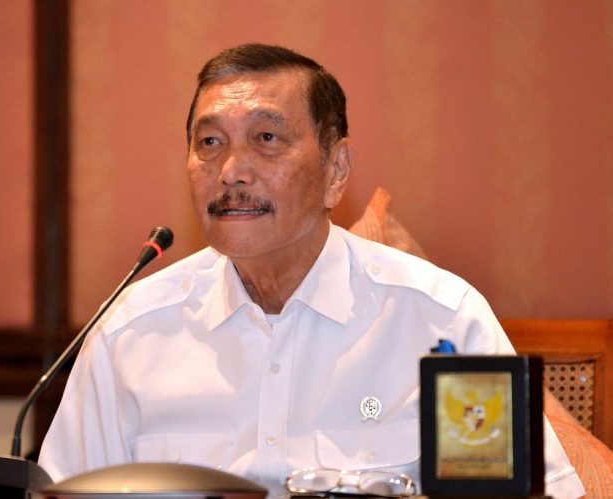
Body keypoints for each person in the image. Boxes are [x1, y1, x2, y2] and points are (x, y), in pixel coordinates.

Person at [39, 44, 584, 497]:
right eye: (210, 143)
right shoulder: (130, 333)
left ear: (336, 170)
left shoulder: (440, 320)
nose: (231, 171)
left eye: (266, 139)